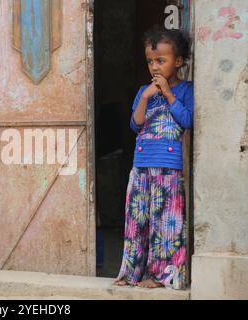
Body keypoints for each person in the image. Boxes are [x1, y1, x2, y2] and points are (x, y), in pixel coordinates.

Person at [114, 25, 193, 289]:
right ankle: (131, 272)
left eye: (161, 60)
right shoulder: (143, 92)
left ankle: (161, 275)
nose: (155, 67)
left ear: (178, 61)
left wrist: (168, 95)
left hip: (169, 169)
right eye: (150, 61)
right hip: (141, 167)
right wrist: (146, 97)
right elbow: (135, 125)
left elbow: (187, 120)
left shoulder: (185, 90)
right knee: (137, 222)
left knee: (165, 224)